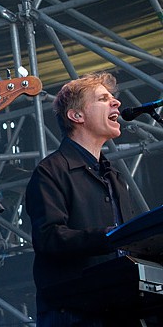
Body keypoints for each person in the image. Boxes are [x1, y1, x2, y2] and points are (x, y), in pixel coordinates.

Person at [25, 72, 144, 327]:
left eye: (113, 98)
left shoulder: (114, 177)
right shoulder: (51, 171)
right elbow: (48, 238)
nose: (116, 103)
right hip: (72, 314)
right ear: (76, 116)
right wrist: (110, 237)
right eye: (103, 99)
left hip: (119, 309)